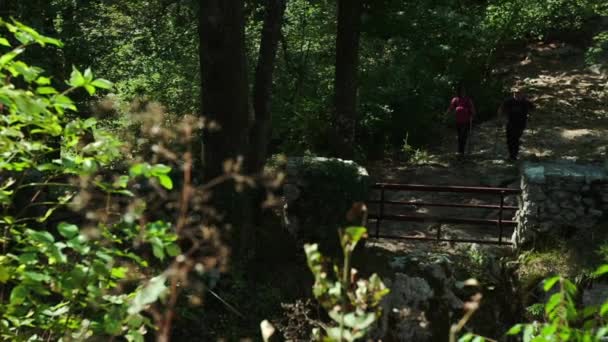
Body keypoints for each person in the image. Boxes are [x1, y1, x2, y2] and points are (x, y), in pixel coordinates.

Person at [498, 87, 535, 161]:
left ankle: (514, 156)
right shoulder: (508, 101)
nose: (516, 95)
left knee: (515, 139)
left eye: (518, 93)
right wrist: (501, 117)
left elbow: (533, 109)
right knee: (509, 140)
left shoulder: (525, 102)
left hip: (521, 124)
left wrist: (531, 115)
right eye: (515, 93)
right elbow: (501, 109)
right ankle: (511, 154)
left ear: (522, 94)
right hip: (510, 123)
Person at [445, 84, 476, 157]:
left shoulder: (468, 99)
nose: (462, 92)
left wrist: (473, 114)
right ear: (458, 92)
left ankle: (462, 151)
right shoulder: (455, 99)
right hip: (458, 120)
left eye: (463, 91)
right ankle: (460, 151)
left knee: (464, 136)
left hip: (466, 120)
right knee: (460, 136)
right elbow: (451, 108)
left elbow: (472, 108)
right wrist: (446, 115)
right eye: (461, 91)